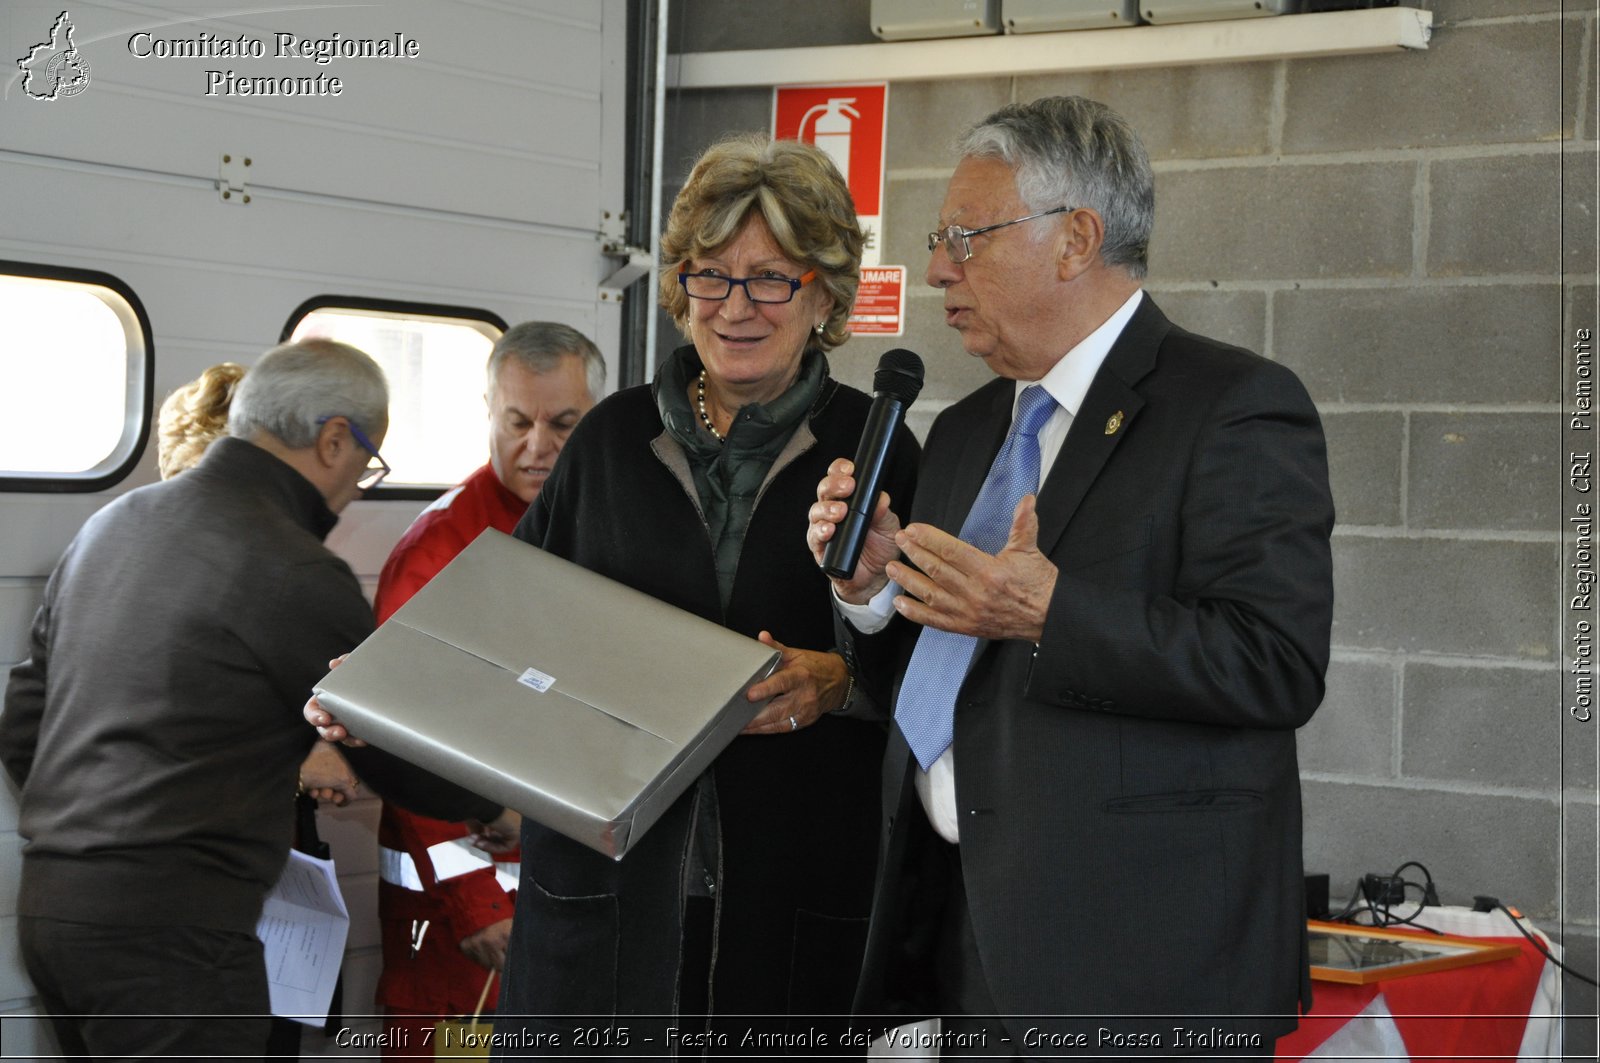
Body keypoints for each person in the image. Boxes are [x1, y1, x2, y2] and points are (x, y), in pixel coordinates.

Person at [311, 134, 921, 1051]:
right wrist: (392, 700)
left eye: (771, 279)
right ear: (680, 286)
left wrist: (842, 677)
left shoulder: (877, 450)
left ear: (826, 291)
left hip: (788, 898)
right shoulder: (608, 440)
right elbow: (505, 638)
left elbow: (933, 669)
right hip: (601, 900)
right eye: (711, 275)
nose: (736, 307)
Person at [807, 96, 1335, 1055]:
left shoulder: (1234, 406)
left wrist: (1050, 611)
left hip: (1141, 964)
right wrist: (874, 591)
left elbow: (1275, 661)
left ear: (1076, 239)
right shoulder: (968, 430)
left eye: (967, 238)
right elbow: (943, 687)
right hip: (961, 936)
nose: (937, 271)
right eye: (939, 240)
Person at [1, 339, 501, 1061]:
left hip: (54, 913)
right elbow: (395, 745)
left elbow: (23, 719)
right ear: (335, 438)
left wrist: (90, 834)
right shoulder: (294, 567)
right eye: (367, 462)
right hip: (175, 938)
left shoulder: (112, 525)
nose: (360, 485)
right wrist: (495, 809)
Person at [373, 322, 603, 1054]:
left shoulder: (608, 528)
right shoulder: (440, 549)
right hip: (460, 922)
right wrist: (474, 903)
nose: (537, 446)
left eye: (563, 423)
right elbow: (403, 738)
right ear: (489, 413)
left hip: (574, 891)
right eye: (517, 422)